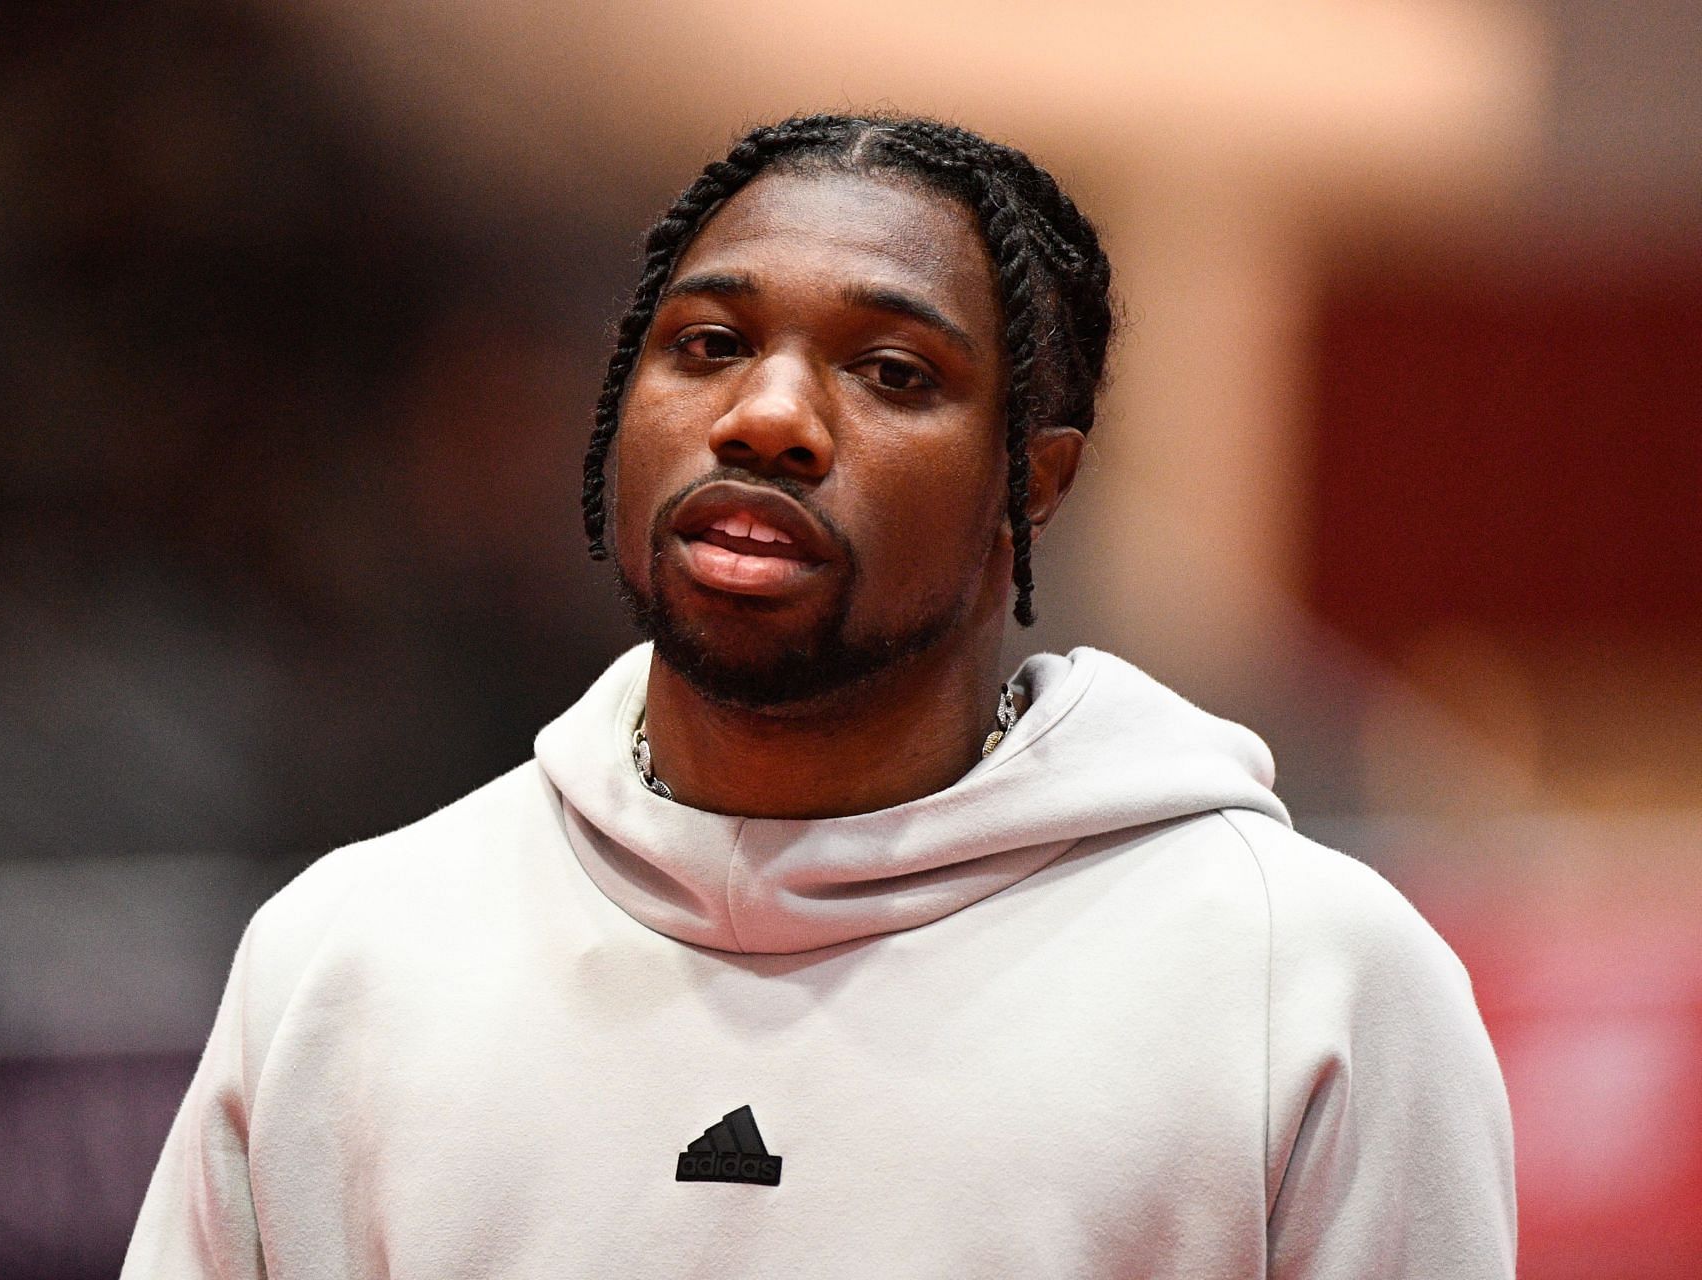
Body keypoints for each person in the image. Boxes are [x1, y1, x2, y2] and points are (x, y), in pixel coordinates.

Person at [123, 113, 1516, 1278]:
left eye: (892, 371)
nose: (767, 415)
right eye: (708, 345)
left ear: (1032, 486)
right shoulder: (348, 958)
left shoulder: (1312, 983)